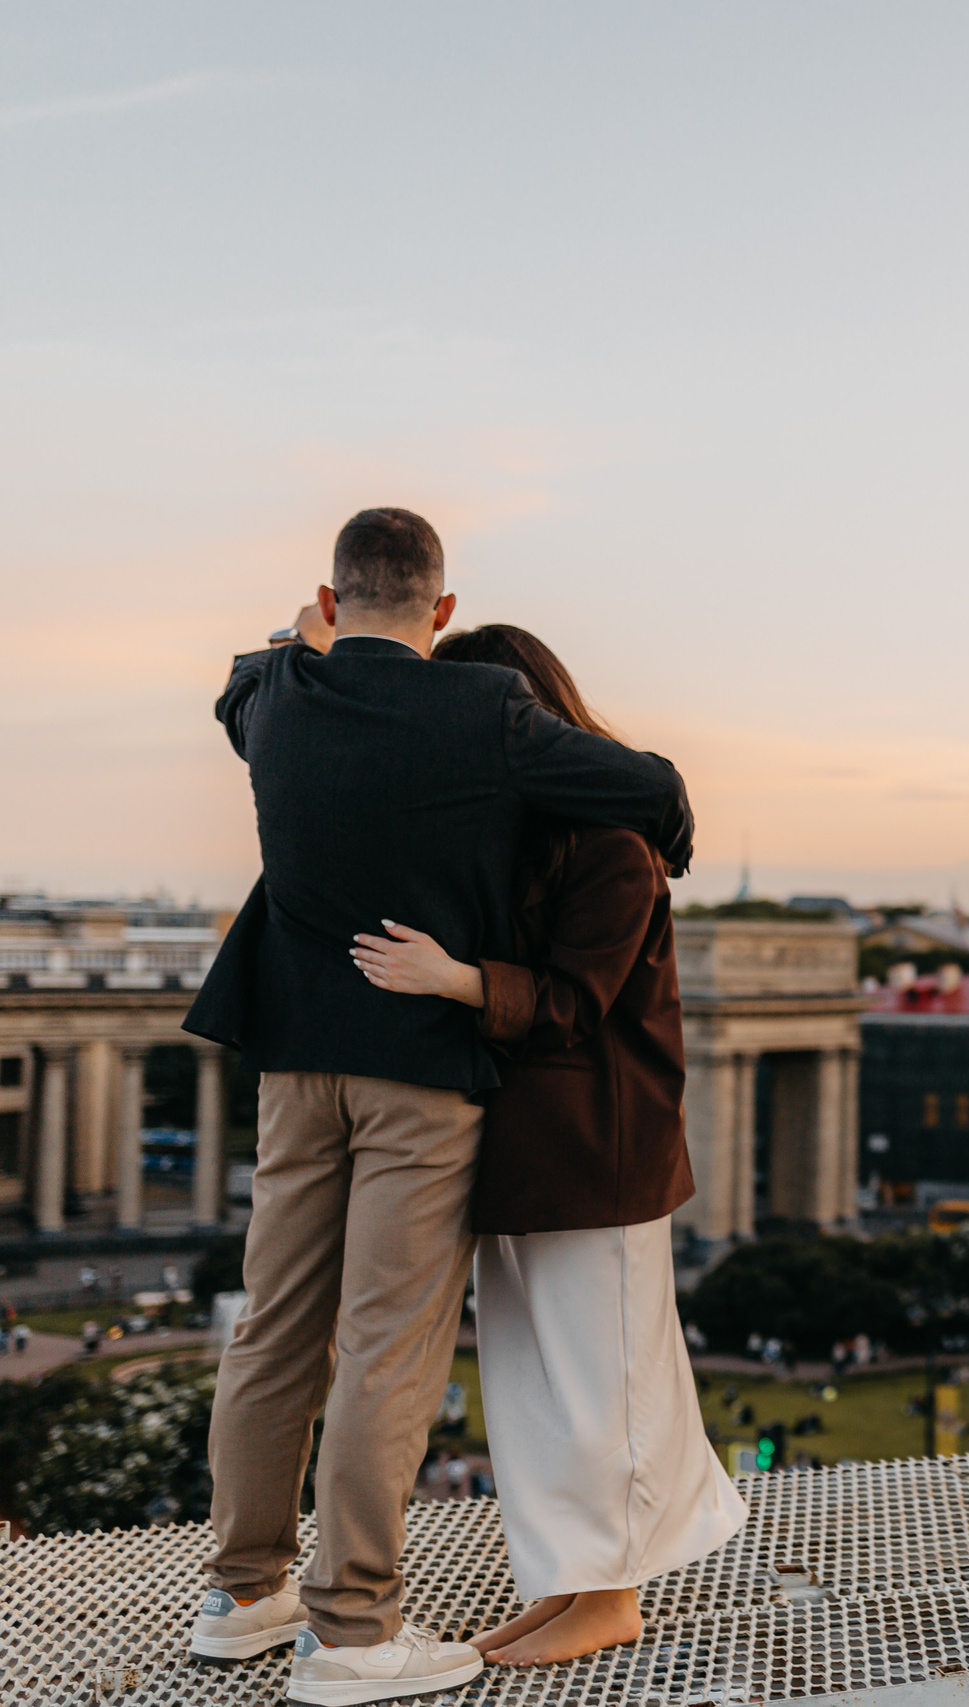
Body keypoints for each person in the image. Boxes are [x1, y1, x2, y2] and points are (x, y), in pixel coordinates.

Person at [182, 510, 694, 1705]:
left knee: (269, 1331)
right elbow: (652, 793)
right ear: (443, 611)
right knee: (387, 1350)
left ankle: (239, 1594)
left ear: (326, 596)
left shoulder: (271, 699)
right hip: (420, 1072)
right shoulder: (485, 715)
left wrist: (291, 644)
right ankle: (353, 1634)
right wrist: (666, 829)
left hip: (292, 1067)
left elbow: (248, 679)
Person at [348, 623, 745, 1667]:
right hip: (529, 1151)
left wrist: (455, 980)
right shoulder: (524, 837)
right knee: (532, 1381)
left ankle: (610, 1597)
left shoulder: (613, 843)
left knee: (600, 1378)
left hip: (595, 1152)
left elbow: (575, 1005)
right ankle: (573, 1582)